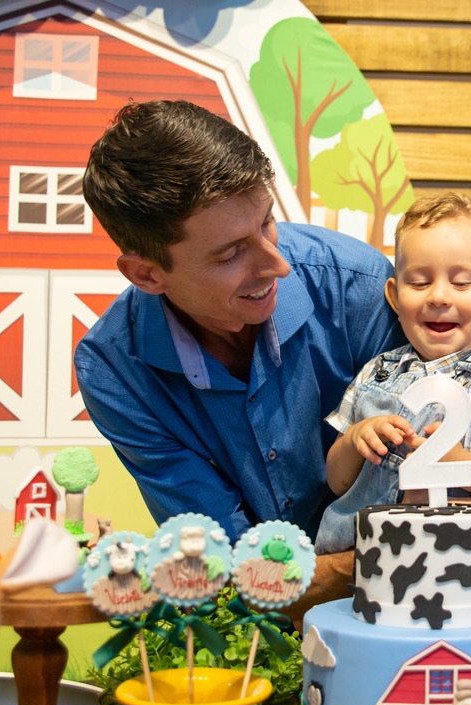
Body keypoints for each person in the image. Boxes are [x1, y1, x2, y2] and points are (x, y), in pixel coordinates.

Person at [74, 100, 405, 613]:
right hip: (257, 637)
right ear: (146, 275)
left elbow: (430, 490)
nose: (277, 264)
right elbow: (222, 555)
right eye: (230, 254)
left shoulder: (359, 287)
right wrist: (347, 568)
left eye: (268, 223)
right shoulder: (115, 373)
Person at [317, 192, 471, 553]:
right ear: (395, 297)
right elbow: (337, 481)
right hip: (358, 567)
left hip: (456, 567)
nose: (439, 296)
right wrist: (356, 439)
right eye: (420, 282)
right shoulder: (377, 371)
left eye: (461, 282)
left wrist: (459, 463)